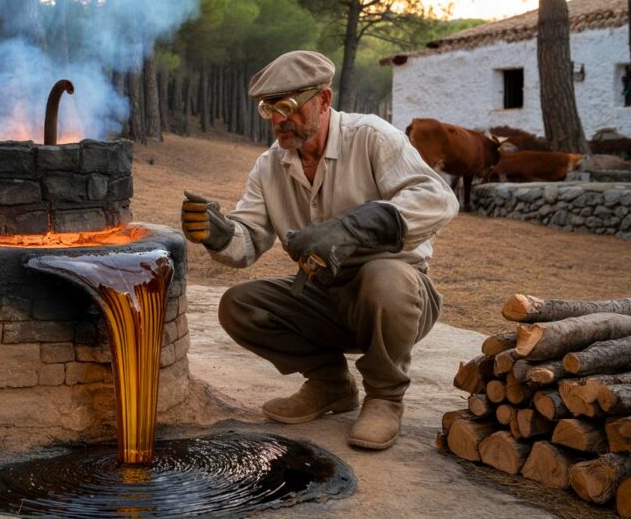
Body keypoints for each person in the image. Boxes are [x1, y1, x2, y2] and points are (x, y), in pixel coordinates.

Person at [181, 50, 458, 450]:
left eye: (288, 107)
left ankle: (384, 397)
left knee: (383, 278)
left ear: (324, 100)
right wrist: (218, 233)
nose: (278, 119)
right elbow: (246, 243)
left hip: (397, 299)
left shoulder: (372, 137)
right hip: (323, 298)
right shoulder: (269, 166)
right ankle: (331, 385)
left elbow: (438, 199)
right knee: (240, 305)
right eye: (268, 109)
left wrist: (355, 224)